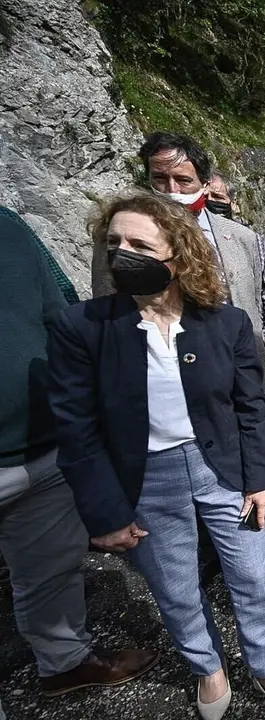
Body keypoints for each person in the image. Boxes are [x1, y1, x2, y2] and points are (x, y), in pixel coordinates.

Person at [48, 194, 265, 719]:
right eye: (114, 243)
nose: (124, 253)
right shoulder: (84, 327)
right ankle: (207, 667)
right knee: (176, 586)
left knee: (252, 576)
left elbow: (251, 407)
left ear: (177, 253)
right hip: (148, 479)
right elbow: (77, 429)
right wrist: (107, 515)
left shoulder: (224, 323)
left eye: (140, 244)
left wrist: (262, 478)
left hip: (223, 470)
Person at [102, 131, 265, 580]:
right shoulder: (124, 243)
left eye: (182, 180)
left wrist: (260, 340)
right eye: (159, 180)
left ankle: (260, 538)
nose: (171, 192)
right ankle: (202, 550)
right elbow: (107, 309)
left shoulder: (242, 238)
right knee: (187, 464)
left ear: (204, 183)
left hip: (242, 374)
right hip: (165, 375)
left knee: (252, 454)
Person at [0, 207, 158, 699]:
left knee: (51, 568)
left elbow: (63, 305)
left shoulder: (9, 226)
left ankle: (64, 661)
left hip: (42, 446)